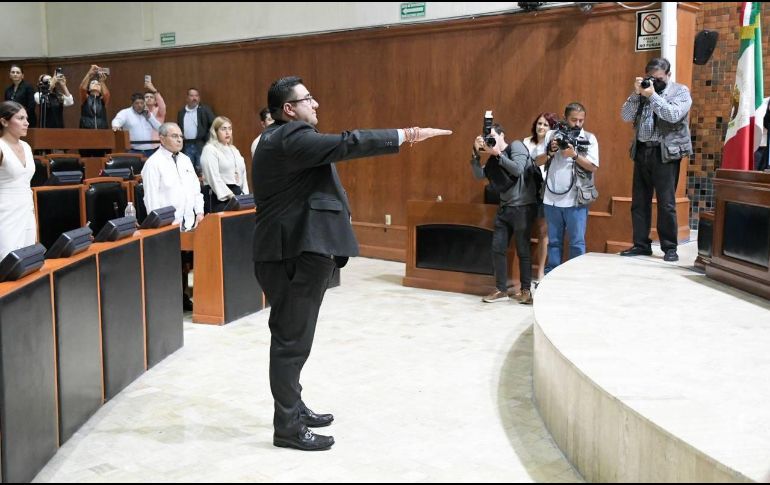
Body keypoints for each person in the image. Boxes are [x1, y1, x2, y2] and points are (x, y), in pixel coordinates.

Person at [252, 76, 450, 451]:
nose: (316, 104)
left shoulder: (283, 138)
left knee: (295, 339)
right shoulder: (290, 136)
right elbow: (349, 142)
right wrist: (408, 134)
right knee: (291, 342)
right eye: (308, 99)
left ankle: (294, 409)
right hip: (291, 253)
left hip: (291, 251)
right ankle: (287, 427)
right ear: (289, 109)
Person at [620, 57, 693, 262]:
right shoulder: (643, 91)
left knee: (666, 203)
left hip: (665, 153)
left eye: (659, 78)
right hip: (642, 151)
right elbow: (625, 115)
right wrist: (636, 94)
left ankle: (669, 247)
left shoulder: (680, 91)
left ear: (669, 75)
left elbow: (672, 114)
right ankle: (641, 244)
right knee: (639, 202)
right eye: (652, 78)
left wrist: (652, 96)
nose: (655, 82)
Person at [472, 123, 539, 304]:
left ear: (502, 135)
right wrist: (475, 153)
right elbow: (479, 175)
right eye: (487, 138)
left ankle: (526, 291)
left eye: (493, 136)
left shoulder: (516, 146)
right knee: (497, 248)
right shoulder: (493, 159)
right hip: (504, 209)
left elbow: (518, 169)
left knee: (523, 250)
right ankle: (501, 289)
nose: (490, 140)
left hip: (523, 207)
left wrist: (497, 154)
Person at [141, 122, 204, 311]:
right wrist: (160, 225)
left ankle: (183, 296)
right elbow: (151, 199)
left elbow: (196, 189)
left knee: (185, 263)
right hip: (168, 225)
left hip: (190, 222)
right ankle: (171, 300)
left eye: (181, 136)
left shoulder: (185, 160)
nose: (179, 140)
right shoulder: (153, 163)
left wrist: (200, 212)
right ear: (161, 139)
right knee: (171, 264)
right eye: (174, 136)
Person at [536, 102, 599, 274]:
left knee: (577, 242)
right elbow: (537, 161)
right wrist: (549, 152)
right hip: (551, 199)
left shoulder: (589, 138)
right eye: (573, 120)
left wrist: (575, 155)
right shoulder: (551, 135)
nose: (577, 124)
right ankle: (551, 276)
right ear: (565, 118)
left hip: (575, 200)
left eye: (581, 120)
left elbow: (593, 166)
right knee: (554, 242)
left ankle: (575, 278)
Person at [522, 112, 558, 284]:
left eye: (545, 124)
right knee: (525, 230)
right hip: (526, 190)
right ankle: (524, 271)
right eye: (539, 123)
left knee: (543, 232)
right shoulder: (526, 142)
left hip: (545, 191)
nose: (541, 127)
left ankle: (541, 271)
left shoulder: (553, 144)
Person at [0, 101, 35, 261]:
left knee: (27, 262)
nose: (26, 123)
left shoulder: (26, 146)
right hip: (5, 212)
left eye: (26, 118)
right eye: (20, 118)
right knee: (7, 261)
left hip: (27, 210)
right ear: (4, 121)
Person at [200, 116, 249, 213]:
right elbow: (213, 177)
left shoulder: (234, 150)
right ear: (215, 131)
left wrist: (245, 196)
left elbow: (243, 174)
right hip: (219, 196)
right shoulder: (210, 149)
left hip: (237, 193)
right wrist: (231, 196)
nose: (228, 132)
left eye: (230, 129)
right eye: (223, 129)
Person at [111, 93, 161, 158]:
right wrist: (116, 126)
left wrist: (150, 117)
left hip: (149, 150)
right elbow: (117, 121)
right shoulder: (125, 113)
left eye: (142, 103)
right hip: (133, 150)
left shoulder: (148, 114)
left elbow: (159, 128)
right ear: (132, 104)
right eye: (137, 103)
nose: (139, 105)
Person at [177, 88, 215, 173]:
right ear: (187, 98)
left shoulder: (205, 110)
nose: (194, 98)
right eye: (192, 96)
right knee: (187, 171)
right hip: (186, 145)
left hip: (201, 145)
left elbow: (214, 124)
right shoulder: (181, 112)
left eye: (196, 96)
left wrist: (208, 139)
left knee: (202, 171)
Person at [79, 65, 110, 130]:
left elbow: (106, 94)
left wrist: (102, 81)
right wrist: (89, 75)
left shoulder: (102, 100)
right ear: (89, 88)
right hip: (86, 130)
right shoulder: (86, 98)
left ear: (101, 88)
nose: (96, 84)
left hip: (102, 130)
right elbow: (82, 88)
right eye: (93, 83)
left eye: (98, 84)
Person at [144, 78, 166, 148]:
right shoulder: (140, 112)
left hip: (156, 145)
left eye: (151, 97)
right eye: (146, 97)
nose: (149, 98)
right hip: (143, 145)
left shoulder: (158, 111)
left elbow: (162, 105)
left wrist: (154, 90)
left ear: (155, 101)